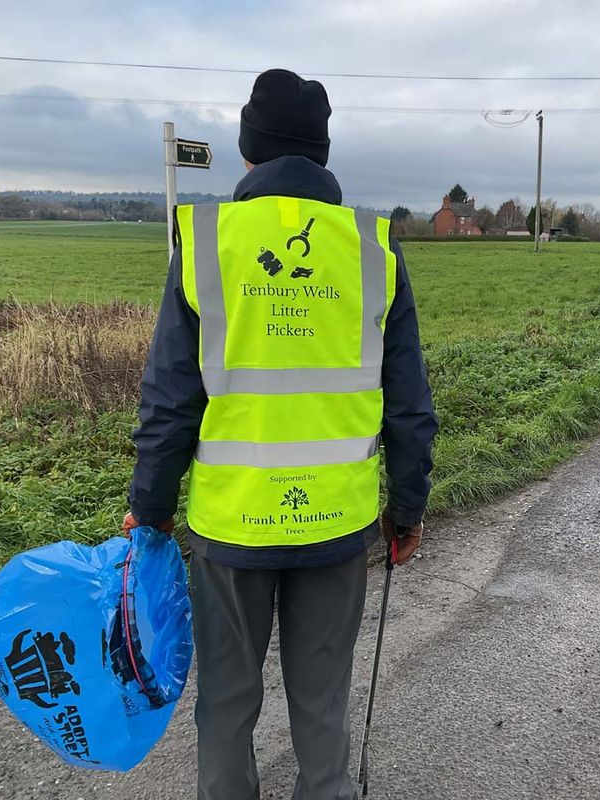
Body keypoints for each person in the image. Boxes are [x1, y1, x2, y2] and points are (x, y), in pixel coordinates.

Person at [123, 68, 438, 800]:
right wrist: (410, 509)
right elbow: (409, 408)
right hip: (337, 525)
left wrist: (153, 504)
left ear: (247, 151)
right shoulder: (372, 250)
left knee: (227, 707)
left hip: (231, 530)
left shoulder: (207, 243)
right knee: (323, 707)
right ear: (322, 154)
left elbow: (169, 401)